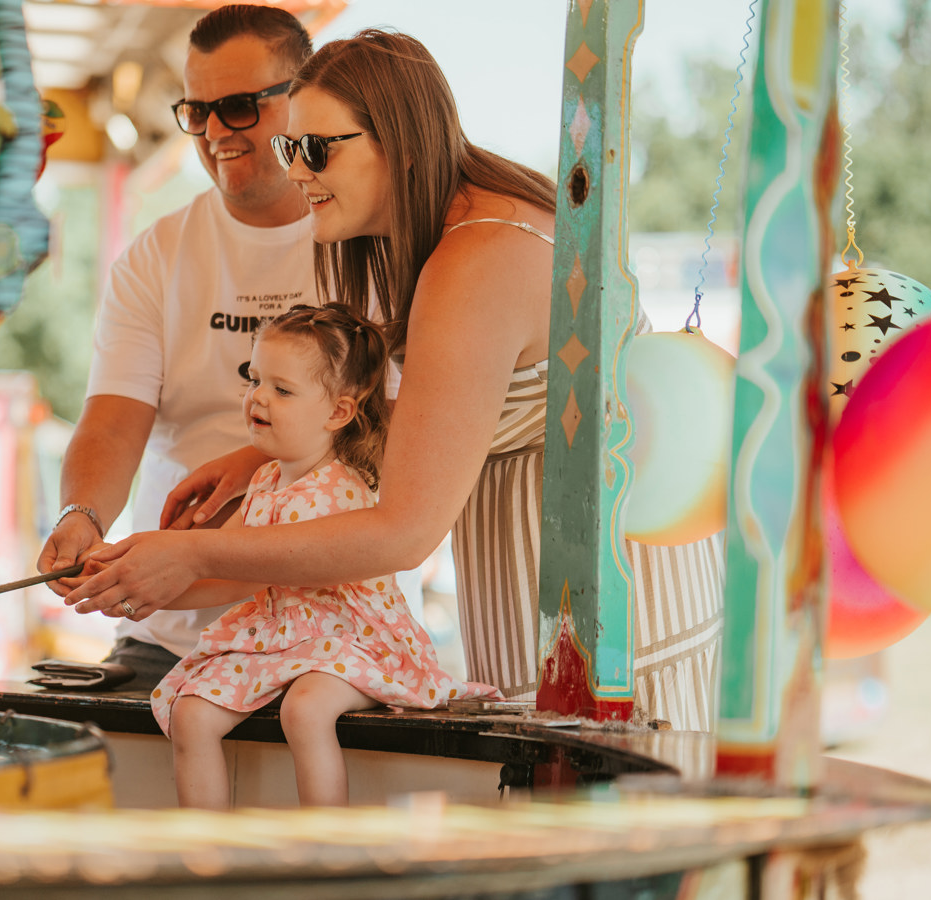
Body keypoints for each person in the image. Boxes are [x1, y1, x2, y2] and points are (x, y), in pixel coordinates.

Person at [69, 30, 724, 728]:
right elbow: (425, 423)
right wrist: (249, 468)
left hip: (610, 635)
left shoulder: (477, 257)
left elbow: (401, 531)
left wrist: (192, 552)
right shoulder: (462, 233)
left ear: (402, 144)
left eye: (318, 148)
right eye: (293, 147)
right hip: (558, 620)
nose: (297, 172)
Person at [95, 304, 498, 809]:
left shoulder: (344, 489)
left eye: (281, 390)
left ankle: (322, 851)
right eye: (254, 379)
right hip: (280, 640)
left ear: (337, 413)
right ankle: (206, 855)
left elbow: (282, 571)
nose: (258, 397)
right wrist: (136, 594)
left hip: (352, 640)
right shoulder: (264, 481)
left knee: (306, 711)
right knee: (191, 713)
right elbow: (230, 575)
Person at [36, 5, 319, 692]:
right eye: (198, 111)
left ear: (304, 101)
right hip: (164, 631)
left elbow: (385, 431)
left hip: (322, 630)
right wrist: (82, 516)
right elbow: (111, 419)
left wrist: (256, 460)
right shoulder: (157, 254)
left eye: (241, 107)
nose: (216, 131)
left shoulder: (361, 243)